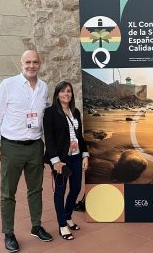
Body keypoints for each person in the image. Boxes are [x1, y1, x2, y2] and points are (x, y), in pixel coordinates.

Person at [0, 50, 53, 252]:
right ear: (21, 63)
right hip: (11, 147)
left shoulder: (43, 87)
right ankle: (8, 232)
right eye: (28, 62)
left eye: (35, 62)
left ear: (40, 64)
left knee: (36, 190)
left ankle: (36, 226)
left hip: (35, 146)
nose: (31, 66)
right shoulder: (8, 85)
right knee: (8, 193)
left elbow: (45, 116)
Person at [43, 81, 89, 240]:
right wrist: (55, 161)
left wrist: (85, 155)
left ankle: (68, 216)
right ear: (57, 94)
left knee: (76, 188)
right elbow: (48, 138)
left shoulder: (75, 111)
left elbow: (80, 136)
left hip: (76, 156)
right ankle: (62, 224)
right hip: (61, 159)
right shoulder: (50, 112)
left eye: (68, 91)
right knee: (60, 191)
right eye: (62, 91)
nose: (66, 94)